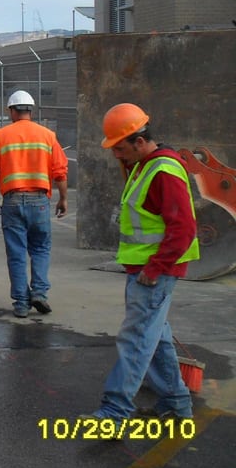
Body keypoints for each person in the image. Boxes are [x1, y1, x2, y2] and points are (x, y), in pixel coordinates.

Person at [84, 103, 199, 423]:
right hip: (145, 269)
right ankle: (176, 403)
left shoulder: (162, 170)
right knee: (155, 336)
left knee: (136, 339)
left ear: (139, 141)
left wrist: (155, 268)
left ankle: (114, 411)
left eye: (119, 148)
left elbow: (184, 229)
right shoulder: (144, 164)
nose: (116, 155)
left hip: (154, 272)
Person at [0, 90, 69, 318]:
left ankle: (21, 303)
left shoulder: (2, 135)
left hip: (12, 202)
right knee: (40, 248)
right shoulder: (48, 135)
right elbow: (60, 171)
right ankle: (39, 293)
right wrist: (63, 198)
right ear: (31, 110)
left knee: (17, 252)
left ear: (12, 110)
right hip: (40, 201)